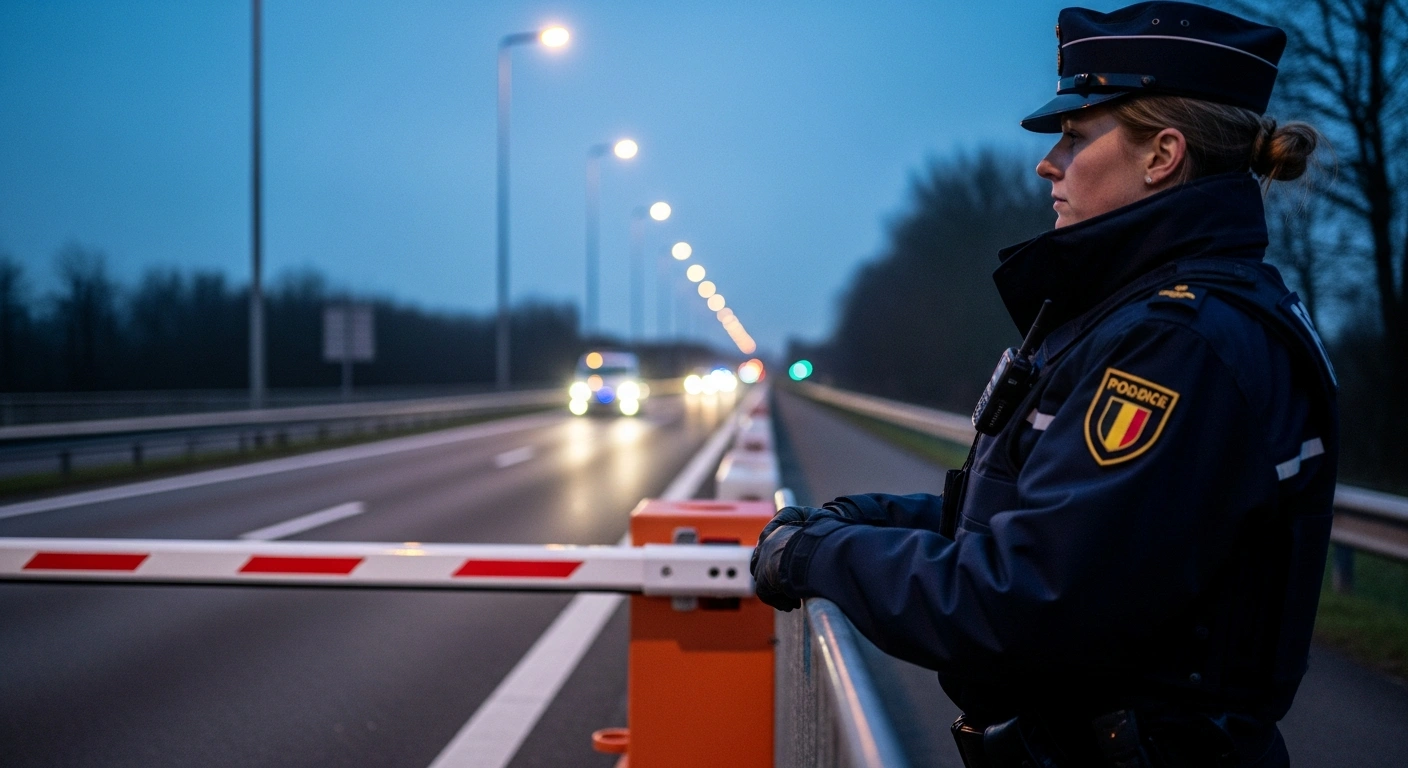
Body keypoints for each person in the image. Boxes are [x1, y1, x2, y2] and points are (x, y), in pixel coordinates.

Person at [750, 3, 1340, 767]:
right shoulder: (1144, 315)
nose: (1046, 162)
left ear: (1162, 154)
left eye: (1075, 134)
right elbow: (1060, 528)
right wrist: (866, 521)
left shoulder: (1173, 344)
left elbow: (1027, 595)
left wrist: (817, 559)